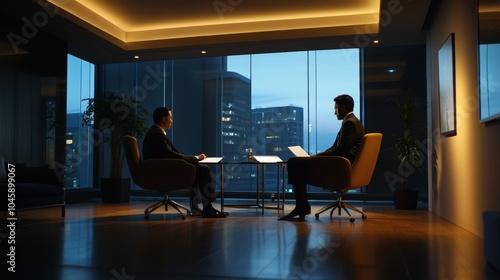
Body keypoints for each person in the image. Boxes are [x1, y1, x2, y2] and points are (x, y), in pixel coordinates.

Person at [279, 94, 365, 221]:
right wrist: (318, 156)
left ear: (342, 107)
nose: (334, 112)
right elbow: (338, 149)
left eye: (335, 109)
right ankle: (302, 205)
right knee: (298, 164)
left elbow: (340, 150)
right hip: (341, 164)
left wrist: (317, 156)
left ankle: (302, 206)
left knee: (293, 163)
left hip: (341, 168)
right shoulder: (353, 122)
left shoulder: (350, 124)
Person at [143, 107, 228, 218]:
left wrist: (193, 160)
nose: (172, 121)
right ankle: (207, 208)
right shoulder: (157, 135)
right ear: (164, 119)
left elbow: (170, 155)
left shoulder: (156, 132)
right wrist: (195, 158)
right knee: (203, 170)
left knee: (196, 168)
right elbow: (171, 155)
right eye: (170, 117)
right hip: (161, 172)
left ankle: (197, 207)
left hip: (162, 169)